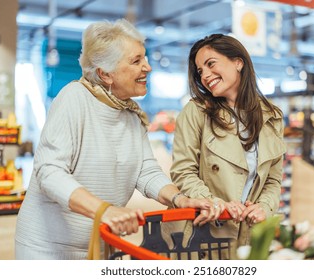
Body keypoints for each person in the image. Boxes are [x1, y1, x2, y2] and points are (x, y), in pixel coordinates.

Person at [15, 19, 212, 260]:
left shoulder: (130, 114)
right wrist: (104, 210)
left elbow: (146, 171)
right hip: (48, 248)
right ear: (105, 74)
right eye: (136, 60)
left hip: (100, 241)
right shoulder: (74, 98)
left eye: (145, 58)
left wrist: (179, 198)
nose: (147, 67)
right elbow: (50, 171)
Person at [169, 34, 286, 259]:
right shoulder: (196, 112)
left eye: (211, 64)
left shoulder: (272, 117)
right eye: (200, 71)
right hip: (205, 232)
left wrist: (264, 207)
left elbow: (273, 179)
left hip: (249, 234)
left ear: (238, 62)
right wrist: (215, 203)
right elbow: (183, 172)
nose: (205, 76)